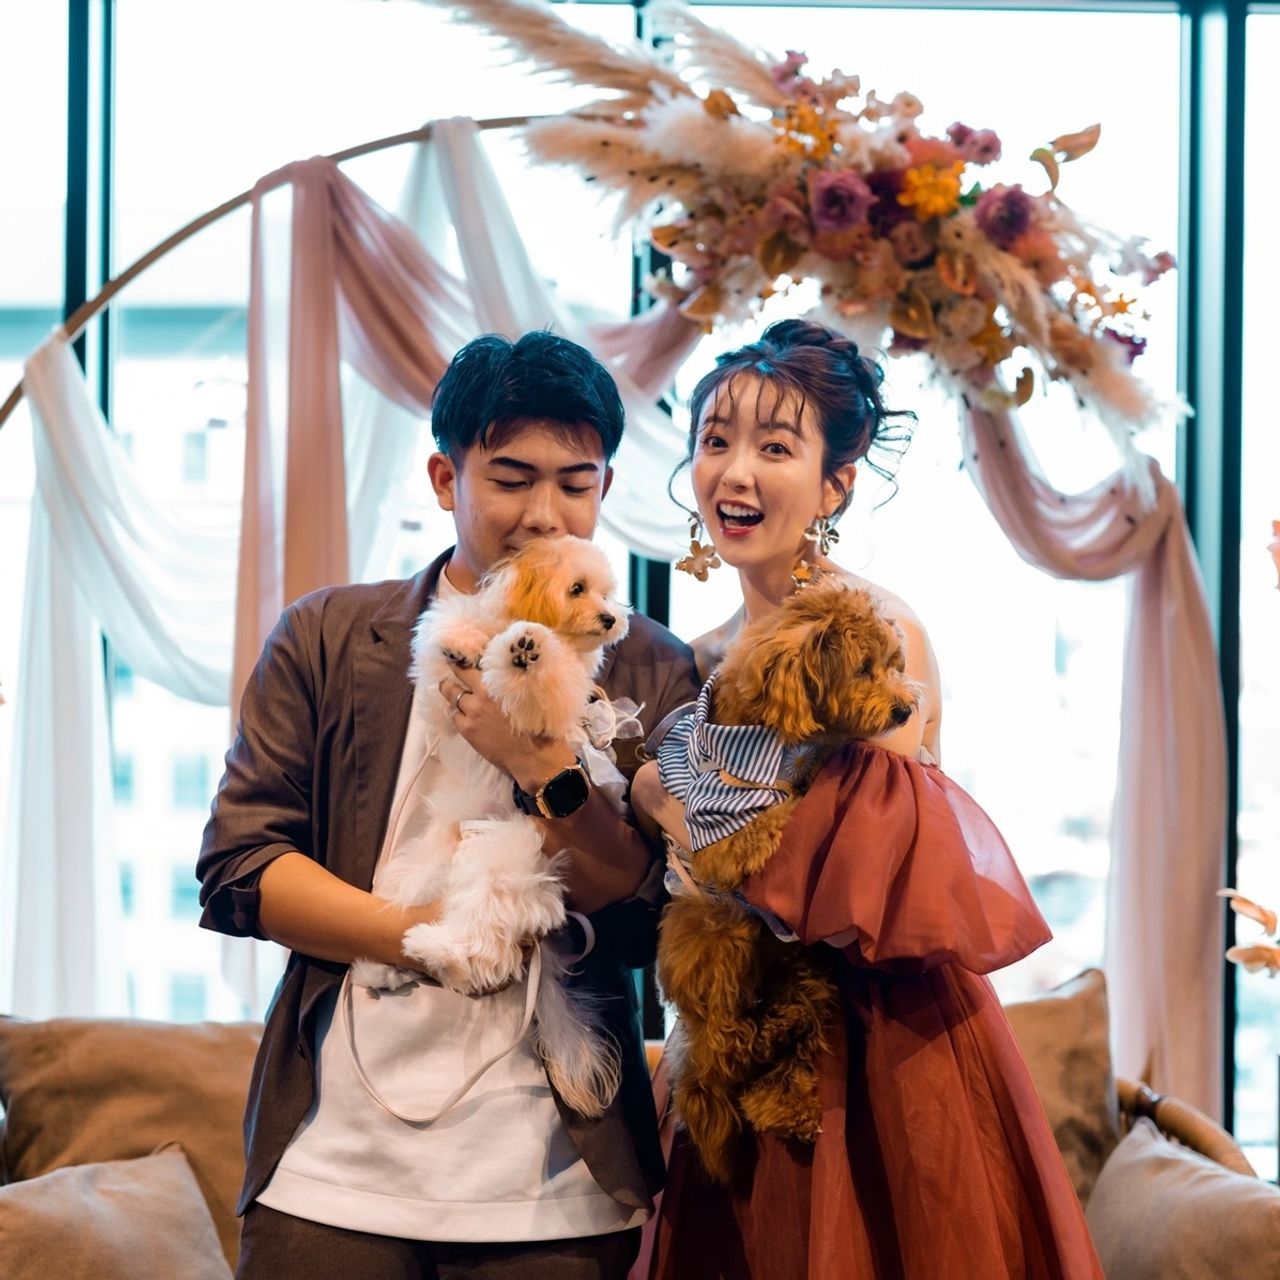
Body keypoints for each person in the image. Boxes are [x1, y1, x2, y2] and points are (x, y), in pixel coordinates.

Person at [197, 330, 700, 1280]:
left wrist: (543, 767)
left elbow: (649, 917)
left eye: (576, 483)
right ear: (444, 477)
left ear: (605, 488)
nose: (545, 515)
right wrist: (426, 937)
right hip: (331, 1173)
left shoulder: (648, 663)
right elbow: (241, 867)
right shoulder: (328, 637)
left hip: (556, 1186)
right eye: (511, 478)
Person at [629, 318, 1103, 1278]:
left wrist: (659, 799)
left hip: (874, 1048)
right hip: (738, 1040)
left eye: (775, 448)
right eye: (716, 440)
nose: (735, 473)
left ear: (835, 485)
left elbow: (853, 875)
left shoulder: (874, 635)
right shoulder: (703, 658)